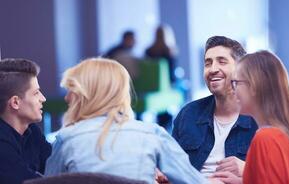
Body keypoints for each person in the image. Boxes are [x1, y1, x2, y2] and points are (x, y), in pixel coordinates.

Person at [45, 58, 222, 184]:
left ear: (87, 95)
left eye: (71, 91)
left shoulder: (65, 139)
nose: (67, 98)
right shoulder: (152, 134)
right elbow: (191, 180)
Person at [172, 36, 258, 178]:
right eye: (207, 63)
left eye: (222, 61)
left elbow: (283, 176)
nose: (212, 69)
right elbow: (170, 166)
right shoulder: (188, 114)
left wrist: (250, 170)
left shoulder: (260, 118)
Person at [213, 51, 289, 184]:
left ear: (254, 86)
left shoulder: (265, 139)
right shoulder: (285, 135)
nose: (233, 90)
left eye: (236, 83)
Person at [0, 58, 52, 184]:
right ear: (15, 102)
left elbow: (55, 168)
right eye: (36, 93)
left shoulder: (32, 130)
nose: (43, 98)